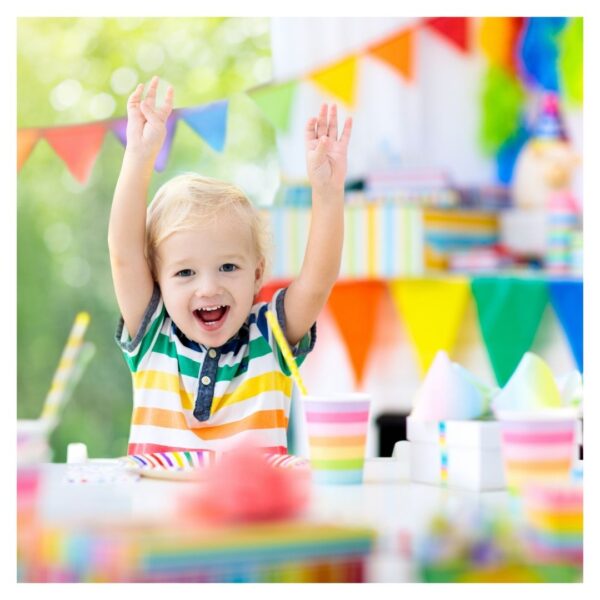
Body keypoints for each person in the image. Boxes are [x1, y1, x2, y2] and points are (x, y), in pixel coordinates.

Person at [108, 76, 352, 456]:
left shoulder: (271, 336)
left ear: (257, 274)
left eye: (227, 267)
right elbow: (124, 254)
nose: (208, 288)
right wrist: (139, 156)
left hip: (255, 515)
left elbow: (318, 281)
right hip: (159, 513)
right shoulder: (153, 334)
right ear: (157, 278)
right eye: (185, 272)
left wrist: (328, 193)